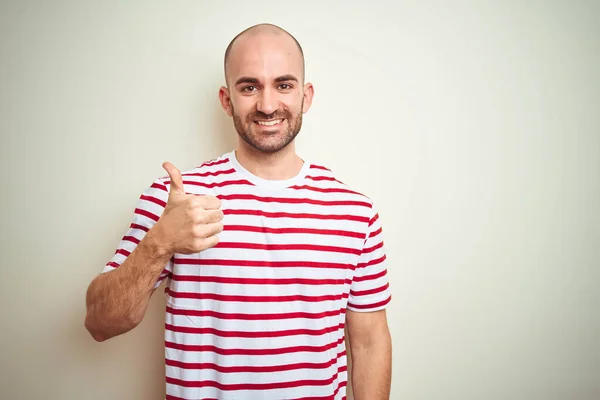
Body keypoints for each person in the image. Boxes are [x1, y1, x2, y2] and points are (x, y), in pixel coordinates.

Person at [84, 23, 392, 400]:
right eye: (249, 87)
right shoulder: (176, 198)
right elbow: (101, 323)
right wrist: (159, 243)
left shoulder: (354, 211)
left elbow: (370, 343)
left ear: (306, 96)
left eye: (283, 84)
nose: (266, 105)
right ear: (227, 100)